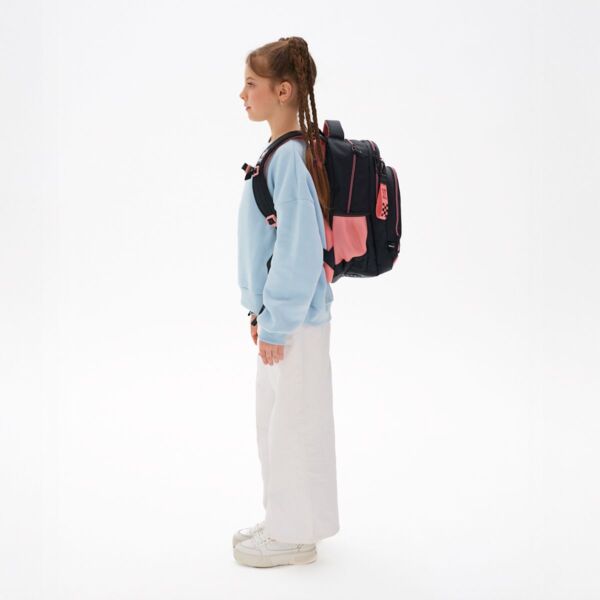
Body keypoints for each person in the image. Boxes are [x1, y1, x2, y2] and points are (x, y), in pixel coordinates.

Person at [234, 36, 340, 568]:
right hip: (282, 319)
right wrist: (262, 314)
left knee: (293, 428)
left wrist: (275, 324)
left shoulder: (290, 161)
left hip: (293, 323)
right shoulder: (281, 153)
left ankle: (294, 536)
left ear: (283, 91)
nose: (242, 94)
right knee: (278, 423)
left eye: (251, 84)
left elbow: (298, 253)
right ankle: (285, 520)